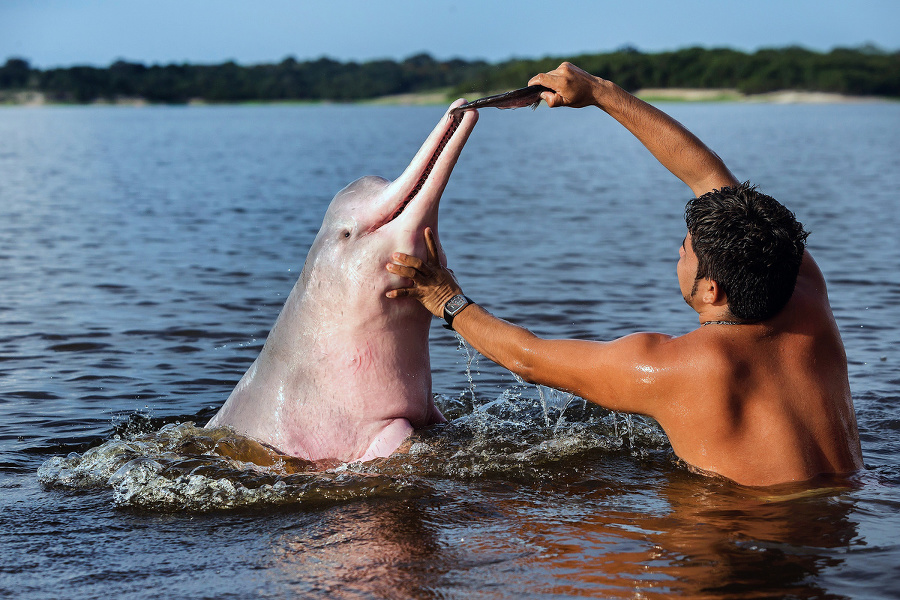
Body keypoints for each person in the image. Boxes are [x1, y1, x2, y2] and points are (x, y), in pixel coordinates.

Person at [384, 63, 864, 487]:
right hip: (839, 533)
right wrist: (598, 92)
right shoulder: (801, 291)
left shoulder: (680, 368)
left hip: (738, 549)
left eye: (684, 253)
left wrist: (446, 298)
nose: (676, 255)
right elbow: (710, 181)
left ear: (712, 290)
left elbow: (530, 359)